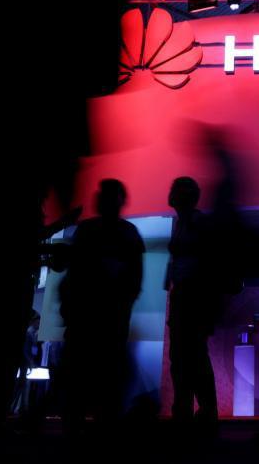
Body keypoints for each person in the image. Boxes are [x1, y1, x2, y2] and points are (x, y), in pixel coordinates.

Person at [60, 179, 145, 429]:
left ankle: (82, 425)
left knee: (82, 374)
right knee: (105, 375)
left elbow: (74, 274)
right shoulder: (125, 233)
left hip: (93, 316)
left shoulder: (90, 231)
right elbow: (134, 279)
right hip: (104, 316)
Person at [165, 177, 220, 428]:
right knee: (187, 356)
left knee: (189, 356)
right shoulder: (186, 223)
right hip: (187, 294)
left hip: (192, 295)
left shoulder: (196, 223)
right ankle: (193, 411)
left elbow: (207, 260)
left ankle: (194, 412)